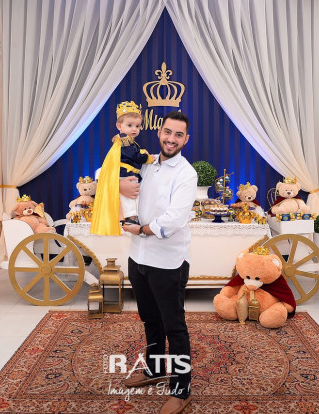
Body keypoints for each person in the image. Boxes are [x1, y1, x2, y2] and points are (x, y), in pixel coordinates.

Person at [121, 111, 197, 414]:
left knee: (174, 326)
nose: (171, 139)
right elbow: (106, 172)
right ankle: (153, 370)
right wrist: (118, 186)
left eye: (178, 135)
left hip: (168, 261)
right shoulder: (146, 163)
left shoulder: (186, 173)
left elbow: (174, 219)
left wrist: (142, 229)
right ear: (159, 132)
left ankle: (181, 390)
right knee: (149, 319)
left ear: (186, 139)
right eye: (168, 132)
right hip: (137, 256)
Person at [90, 101, 154, 236]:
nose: (134, 129)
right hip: (124, 173)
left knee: (129, 196)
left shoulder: (129, 142)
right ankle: (130, 217)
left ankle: (129, 216)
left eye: (137, 126)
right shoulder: (124, 141)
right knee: (130, 196)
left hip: (127, 172)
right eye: (130, 125)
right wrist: (147, 158)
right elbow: (133, 155)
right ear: (119, 126)